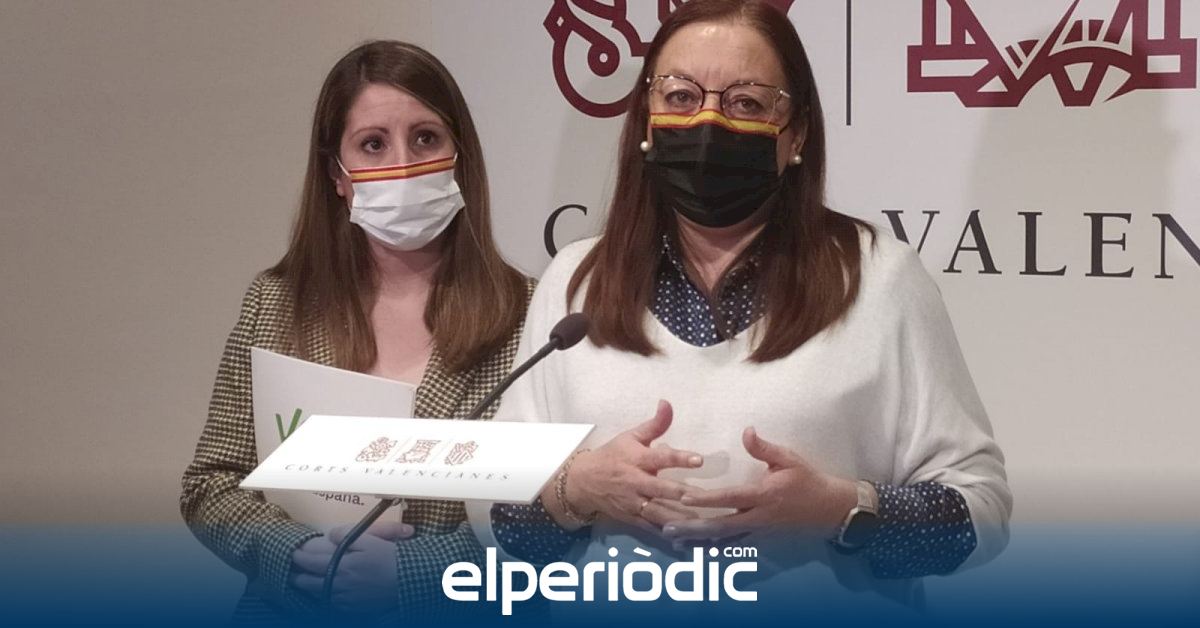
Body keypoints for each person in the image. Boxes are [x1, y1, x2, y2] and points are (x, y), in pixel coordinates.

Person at [470, 0, 1011, 610]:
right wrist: (577, 488)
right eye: (680, 97)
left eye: (747, 103)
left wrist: (841, 510)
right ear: (646, 118)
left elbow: (980, 514)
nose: (708, 122)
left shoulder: (881, 278)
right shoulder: (576, 282)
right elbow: (495, 518)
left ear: (796, 134)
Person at [180, 40, 530, 620]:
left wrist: (413, 573)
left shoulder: (534, 317)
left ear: (460, 155)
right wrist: (297, 552)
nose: (403, 164)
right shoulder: (276, 303)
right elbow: (211, 485)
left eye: (426, 138)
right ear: (337, 176)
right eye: (373, 144)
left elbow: (549, 519)